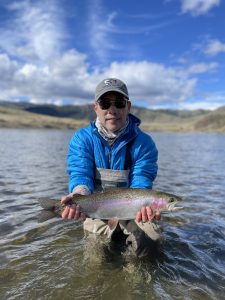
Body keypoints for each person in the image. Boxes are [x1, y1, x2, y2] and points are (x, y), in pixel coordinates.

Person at [61, 78, 163, 257]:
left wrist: (146, 208)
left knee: (151, 244)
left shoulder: (144, 143)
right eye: (105, 103)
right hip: (96, 210)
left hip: (133, 210)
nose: (112, 110)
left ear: (128, 106)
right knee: (96, 257)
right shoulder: (82, 139)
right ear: (96, 108)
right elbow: (80, 172)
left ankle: (137, 283)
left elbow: (142, 179)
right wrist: (79, 194)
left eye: (119, 103)